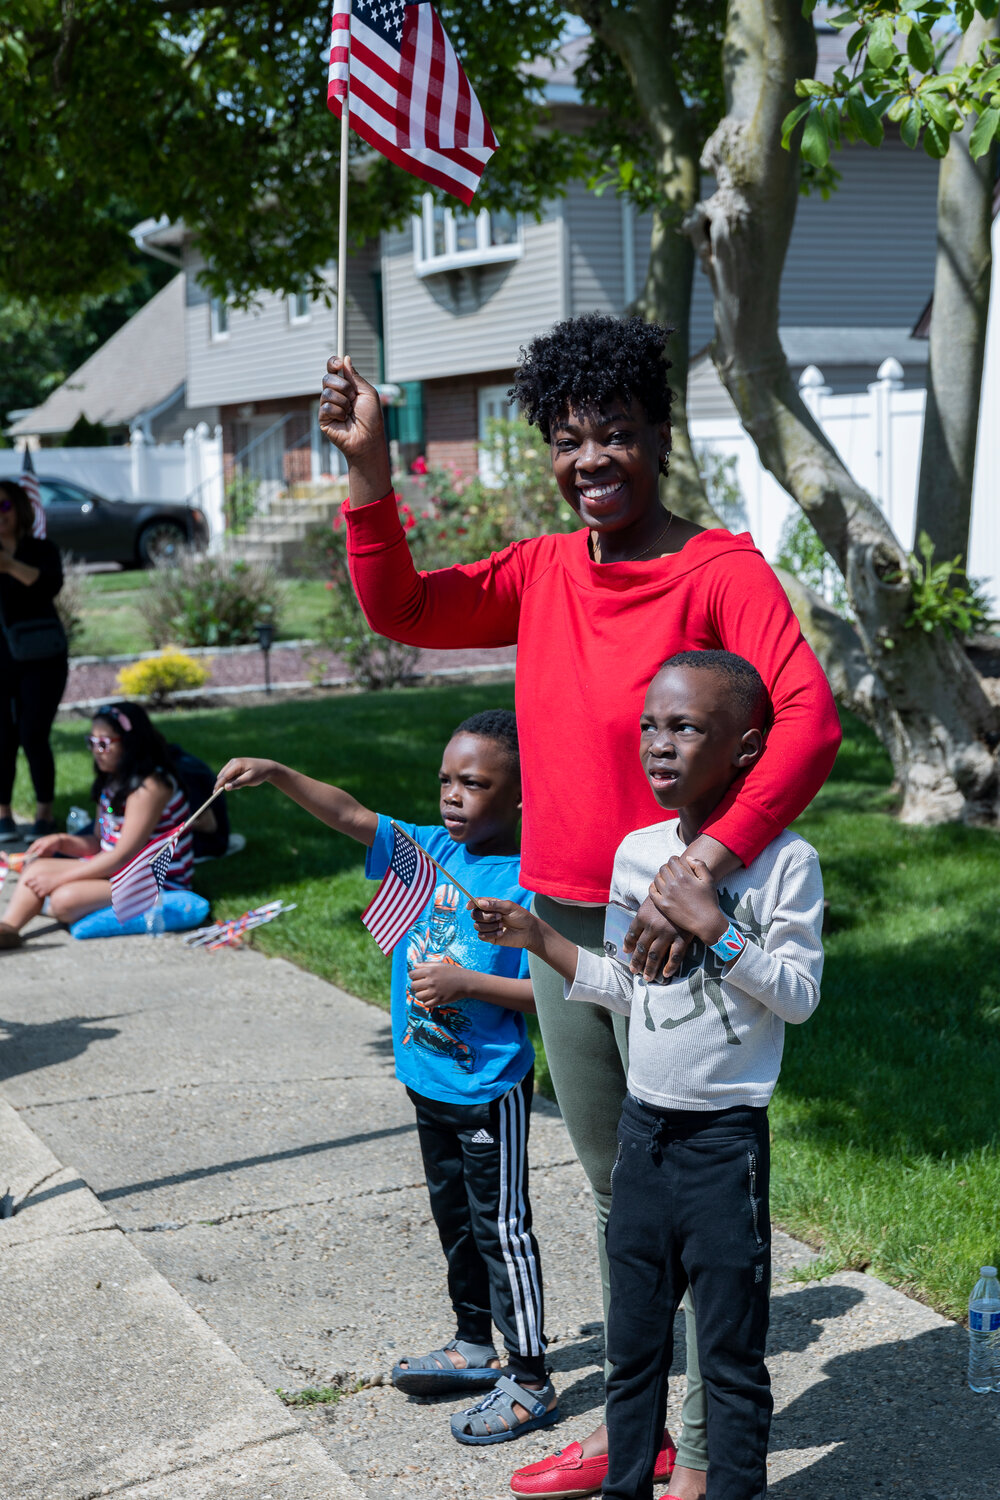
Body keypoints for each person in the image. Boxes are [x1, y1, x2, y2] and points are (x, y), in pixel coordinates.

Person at [318, 314, 841, 1498]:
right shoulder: (545, 569)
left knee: (698, 1212)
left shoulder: (720, 571)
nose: (591, 458)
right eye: (568, 438)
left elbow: (808, 723)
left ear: (658, 436)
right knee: (619, 1201)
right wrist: (366, 473)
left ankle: (708, 1456)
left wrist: (703, 864)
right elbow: (401, 607)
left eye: (614, 434)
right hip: (565, 925)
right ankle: (634, 1433)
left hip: (680, 929)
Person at [471, 650, 824, 1500]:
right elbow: (629, 988)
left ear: (745, 747)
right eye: (649, 729)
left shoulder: (785, 863)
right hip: (645, 1133)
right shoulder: (636, 856)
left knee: (732, 1356)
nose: (659, 747)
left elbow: (801, 998)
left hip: (722, 1143)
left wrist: (720, 931)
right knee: (634, 1352)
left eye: (685, 728)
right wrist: (540, 941)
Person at [213, 710, 559, 1446]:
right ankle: (473, 1345)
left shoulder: (531, 885)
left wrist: (470, 983)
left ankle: (530, 1376)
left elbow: (556, 995)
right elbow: (348, 811)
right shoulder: (427, 852)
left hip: (487, 1087)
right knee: (454, 1224)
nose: (452, 796)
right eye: (445, 780)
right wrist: (275, 773)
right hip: (427, 1079)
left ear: (522, 797)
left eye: (474, 783)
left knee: (503, 1231)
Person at [0, 702, 193, 950]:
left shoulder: (151, 787)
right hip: (120, 870)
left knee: (63, 899)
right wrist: (62, 841)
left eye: (104, 744)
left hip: (156, 880)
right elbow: (99, 842)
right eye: (91, 742)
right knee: (35, 870)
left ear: (130, 742)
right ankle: (8, 929)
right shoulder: (113, 781)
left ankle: (44, 907)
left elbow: (123, 855)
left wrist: (60, 879)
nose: (96, 751)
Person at [0, 478, 68, 843]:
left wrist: (9, 565)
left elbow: (49, 585)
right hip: (2, 661)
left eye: (5, 505)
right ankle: (4, 815)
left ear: (20, 510)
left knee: (33, 734)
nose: (0, 514)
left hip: (43, 659)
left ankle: (44, 814)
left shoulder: (42, 549)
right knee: (2, 738)